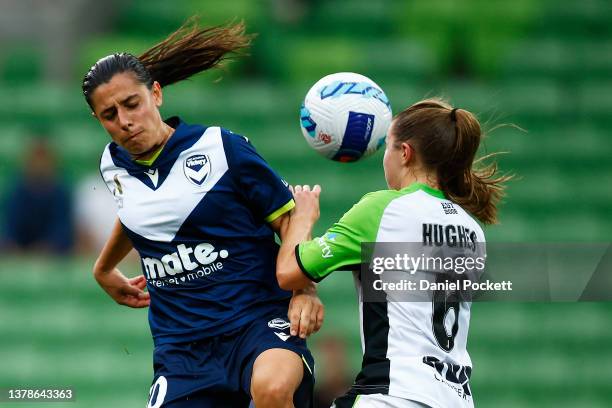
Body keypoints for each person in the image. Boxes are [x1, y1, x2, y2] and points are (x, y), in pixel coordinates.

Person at [82, 18, 323, 408]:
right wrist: (103, 267)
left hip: (255, 324)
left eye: (132, 104)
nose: (124, 121)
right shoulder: (112, 165)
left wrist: (304, 289)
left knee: (274, 388)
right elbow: (138, 210)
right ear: (98, 119)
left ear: (156, 94)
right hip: (182, 350)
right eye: (110, 115)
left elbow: (289, 218)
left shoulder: (220, 148)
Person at [277, 99, 511, 407]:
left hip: (393, 394)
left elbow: (288, 271)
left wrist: (303, 219)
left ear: (405, 153)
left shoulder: (384, 209)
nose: (384, 158)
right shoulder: (471, 228)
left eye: (387, 147)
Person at [2, 138, 73, 254]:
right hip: (19, 255)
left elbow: (62, 232)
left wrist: (47, 247)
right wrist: (14, 246)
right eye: (36, 159)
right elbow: (10, 229)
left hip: (52, 256)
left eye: (44, 160)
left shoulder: (60, 193)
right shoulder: (17, 191)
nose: (39, 165)